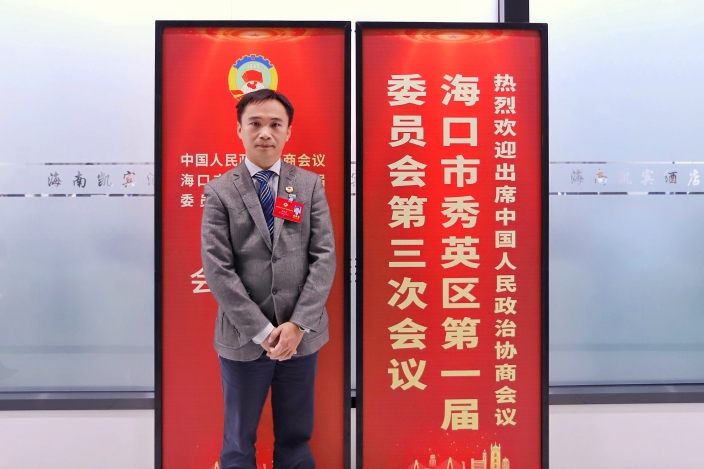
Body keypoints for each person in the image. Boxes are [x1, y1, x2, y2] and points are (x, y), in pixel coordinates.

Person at [201, 89, 336, 469]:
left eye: (275, 124)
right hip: (244, 338)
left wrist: (297, 325)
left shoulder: (308, 185)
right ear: (239, 130)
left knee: (296, 435)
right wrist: (263, 331)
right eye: (255, 123)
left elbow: (324, 256)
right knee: (238, 441)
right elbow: (217, 267)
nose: (265, 133)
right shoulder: (220, 190)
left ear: (288, 132)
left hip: (300, 337)